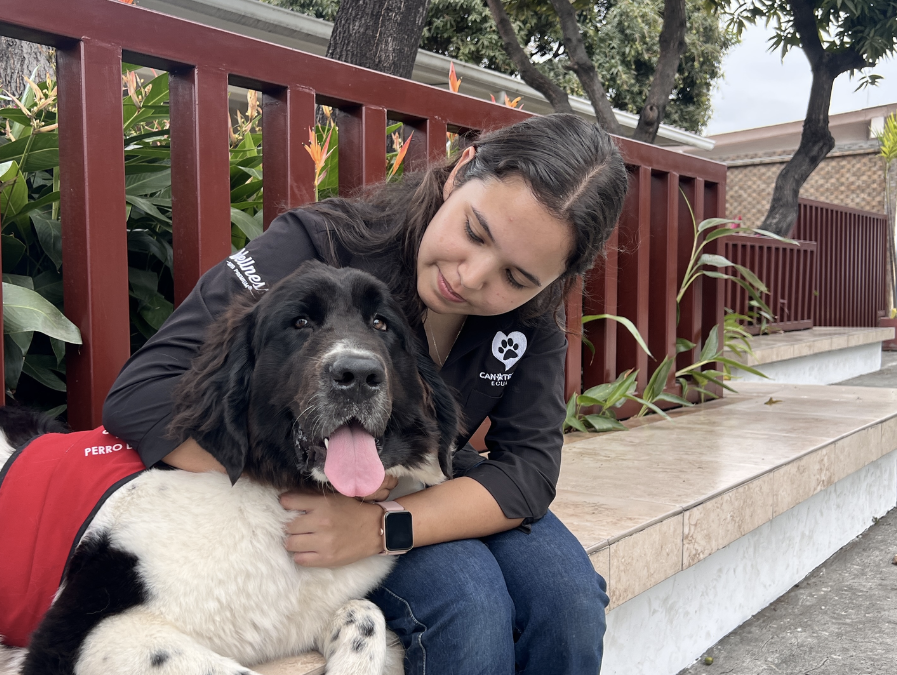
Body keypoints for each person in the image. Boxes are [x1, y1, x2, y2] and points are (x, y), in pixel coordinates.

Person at [102, 113, 629, 674]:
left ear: (555, 281)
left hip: (422, 485)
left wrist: (383, 526)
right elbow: (141, 395)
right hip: (303, 488)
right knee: (468, 601)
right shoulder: (316, 243)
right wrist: (311, 477)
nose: (472, 276)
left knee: (568, 600)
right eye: (475, 233)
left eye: (517, 278)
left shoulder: (531, 320)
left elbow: (529, 470)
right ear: (461, 171)